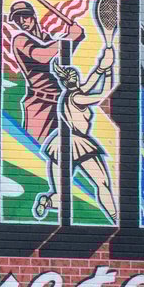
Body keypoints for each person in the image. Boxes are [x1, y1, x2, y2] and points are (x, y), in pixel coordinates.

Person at [32, 47, 117, 220]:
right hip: (79, 144)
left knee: (61, 194)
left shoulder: (69, 95)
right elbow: (102, 95)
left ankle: (47, 201)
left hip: (60, 144)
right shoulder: (78, 98)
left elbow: (90, 83)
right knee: (102, 183)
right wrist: (108, 71)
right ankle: (115, 217)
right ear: (76, 79)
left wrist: (103, 67)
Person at [8, 0, 84, 146]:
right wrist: (69, 37)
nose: (21, 21)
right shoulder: (20, 40)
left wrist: (77, 37)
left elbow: (64, 58)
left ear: (33, 16)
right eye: (17, 19)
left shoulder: (48, 40)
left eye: (25, 16)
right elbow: (42, 56)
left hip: (60, 103)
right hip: (40, 105)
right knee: (36, 151)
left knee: (65, 151)